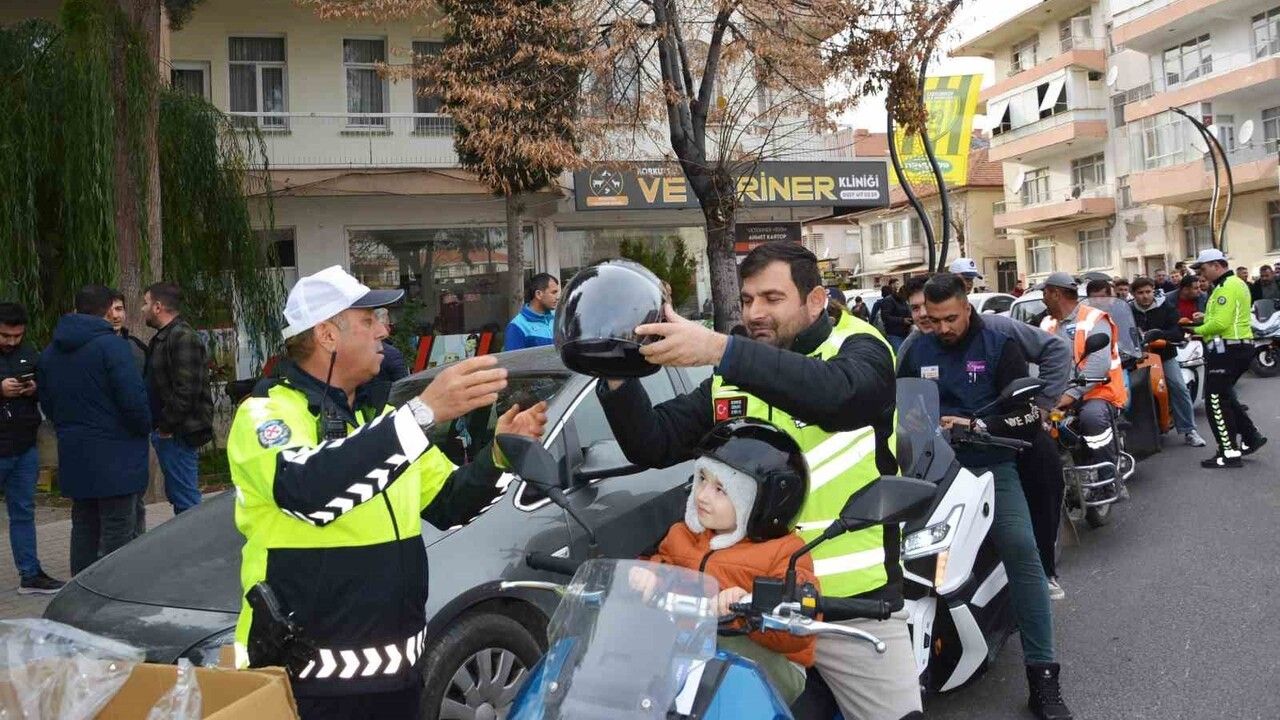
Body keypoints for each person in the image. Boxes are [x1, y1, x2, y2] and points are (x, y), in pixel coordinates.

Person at [593, 243, 917, 719]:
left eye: (772, 298)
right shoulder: (734, 374)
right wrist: (616, 372)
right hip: (749, 603)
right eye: (747, 301)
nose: (755, 313)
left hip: (851, 604)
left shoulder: (859, 347)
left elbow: (838, 397)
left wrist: (721, 348)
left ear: (815, 300)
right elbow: (654, 442)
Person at [227, 265, 547, 718]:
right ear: (327, 335)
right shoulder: (266, 415)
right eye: (369, 319)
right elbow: (308, 494)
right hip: (304, 687)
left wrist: (499, 455)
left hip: (396, 679)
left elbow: (451, 502)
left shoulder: (378, 421)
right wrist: (421, 414)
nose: (385, 328)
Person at [898, 274, 1071, 720]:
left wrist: (979, 426)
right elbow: (895, 406)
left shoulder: (998, 343)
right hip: (927, 467)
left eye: (950, 318)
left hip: (990, 465)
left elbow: (1027, 414)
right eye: (932, 320)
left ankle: (1043, 678)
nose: (941, 328)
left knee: (1022, 551)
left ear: (967, 306)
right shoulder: (916, 348)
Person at [632, 418, 817, 705]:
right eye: (702, 479)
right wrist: (646, 576)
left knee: (720, 642)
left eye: (721, 489)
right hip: (689, 655)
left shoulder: (787, 551)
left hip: (767, 661)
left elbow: (799, 620)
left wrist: (749, 602)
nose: (703, 495)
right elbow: (656, 562)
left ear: (760, 503)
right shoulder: (683, 533)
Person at [39, 285, 151, 575]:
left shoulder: (51, 352)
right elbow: (133, 400)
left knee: (84, 529)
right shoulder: (112, 346)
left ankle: (81, 593)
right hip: (118, 458)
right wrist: (142, 428)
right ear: (105, 311)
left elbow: (49, 405)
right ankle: (115, 597)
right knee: (119, 532)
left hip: (76, 454)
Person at [1039, 272, 1129, 499]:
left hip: (1100, 392)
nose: (1042, 298)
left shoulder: (1095, 319)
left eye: (1045, 293)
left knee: (1092, 418)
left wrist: (1067, 397)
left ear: (1056, 294)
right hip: (1057, 395)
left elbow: (1098, 365)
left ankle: (1109, 478)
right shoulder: (1047, 323)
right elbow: (1035, 360)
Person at [0, 303, 63, 594]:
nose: (11, 341)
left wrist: (33, 388)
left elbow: (45, 381)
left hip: (24, 446)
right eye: (4, 336)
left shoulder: (29, 352)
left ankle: (30, 573)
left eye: (17, 336)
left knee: (23, 511)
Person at [1186, 249, 1266, 469]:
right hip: (1235, 347)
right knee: (1226, 396)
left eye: (1203, 269)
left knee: (1215, 401)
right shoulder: (1228, 285)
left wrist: (1194, 330)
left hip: (1228, 350)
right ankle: (1251, 437)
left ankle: (1228, 452)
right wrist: (1206, 318)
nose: (1201, 275)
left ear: (1216, 265)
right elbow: (1229, 316)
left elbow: (1221, 324)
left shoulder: (1227, 286)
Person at [143, 282, 214, 515]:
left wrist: (166, 426)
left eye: (146, 303)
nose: (142, 309)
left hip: (178, 433)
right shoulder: (165, 338)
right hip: (171, 432)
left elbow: (187, 389)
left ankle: (196, 549)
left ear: (158, 306)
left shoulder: (182, 337)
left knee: (187, 503)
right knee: (181, 499)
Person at [1130, 277, 1206, 448]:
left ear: (1153, 291)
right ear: (1133, 294)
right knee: (1126, 390)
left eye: (1148, 292)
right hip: (1137, 357)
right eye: (1140, 293)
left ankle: (1189, 430)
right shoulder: (1128, 310)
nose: (1145, 296)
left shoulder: (1166, 307)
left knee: (1179, 387)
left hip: (1164, 355)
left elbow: (1177, 332)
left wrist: (1159, 336)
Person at [103, 291, 148, 536]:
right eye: (109, 309)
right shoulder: (92, 350)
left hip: (134, 435)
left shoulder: (136, 348)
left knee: (136, 503)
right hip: (107, 438)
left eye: (119, 309)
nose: (115, 315)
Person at [503, 273, 559, 350]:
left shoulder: (558, 319)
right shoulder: (517, 327)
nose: (557, 297)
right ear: (538, 294)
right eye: (553, 292)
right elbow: (514, 361)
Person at [372, 308, 408, 384]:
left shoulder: (356, 351)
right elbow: (404, 385)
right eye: (389, 325)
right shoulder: (392, 354)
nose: (389, 329)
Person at [879, 282, 913, 351]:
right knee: (900, 355)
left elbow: (908, 313)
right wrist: (902, 320)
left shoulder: (904, 302)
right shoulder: (889, 300)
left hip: (906, 333)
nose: (907, 299)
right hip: (894, 334)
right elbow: (885, 317)